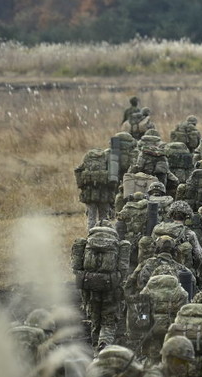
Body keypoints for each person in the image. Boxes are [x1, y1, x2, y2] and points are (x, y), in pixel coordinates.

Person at [70, 220, 131, 352]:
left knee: (94, 320)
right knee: (108, 322)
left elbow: (76, 268)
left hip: (89, 288)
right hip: (111, 288)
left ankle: (95, 350)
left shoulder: (87, 243)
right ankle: (104, 345)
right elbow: (123, 270)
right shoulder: (118, 245)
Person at [75, 147, 117, 229]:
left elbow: (78, 171)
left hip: (89, 194)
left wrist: (82, 187)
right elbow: (112, 180)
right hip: (104, 194)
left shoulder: (87, 160)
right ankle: (105, 235)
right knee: (104, 218)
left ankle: (90, 237)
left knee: (91, 218)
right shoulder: (107, 159)